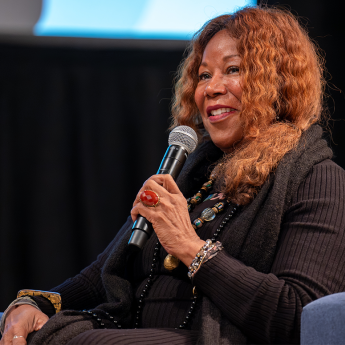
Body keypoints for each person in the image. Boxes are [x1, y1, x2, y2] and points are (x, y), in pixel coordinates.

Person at [1, 5, 345, 345]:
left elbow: (300, 315)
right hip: (133, 330)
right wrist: (34, 302)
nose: (210, 88)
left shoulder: (319, 180)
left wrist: (189, 247)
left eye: (234, 69)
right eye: (205, 74)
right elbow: (102, 276)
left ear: (280, 82)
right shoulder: (193, 175)